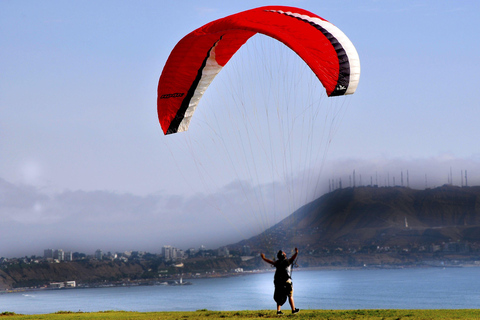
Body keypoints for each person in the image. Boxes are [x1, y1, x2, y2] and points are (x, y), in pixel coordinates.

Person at [261, 248, 299, 315]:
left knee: (279, 295)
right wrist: (296, 253)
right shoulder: (287, 262)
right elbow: (293, 258)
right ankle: (293, 310)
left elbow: (270, 261)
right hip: (287, 281)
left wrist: (264, 258)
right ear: (283, 256)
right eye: (284, 253)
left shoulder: (277, 263)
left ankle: (278, 311)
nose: (284, 252)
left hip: (279, 282)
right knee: (290, 295)